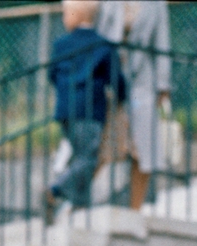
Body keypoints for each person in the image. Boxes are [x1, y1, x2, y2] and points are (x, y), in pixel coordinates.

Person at [45, 0, 126, 223]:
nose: (63, 18)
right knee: (88, 159)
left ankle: (81, 209)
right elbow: (116, 79)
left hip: (64, 111)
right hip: (90, 111)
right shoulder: (103, 46)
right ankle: (55, 190)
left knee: (81, 156)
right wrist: (122, 98)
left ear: (77, 16)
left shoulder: (61, 45)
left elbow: (52, 74)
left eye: (65, 13)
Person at [94, 0, 171, 210]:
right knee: (101, 143)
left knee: (143, 147)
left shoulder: (156, 5)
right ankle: (74, 199)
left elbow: (162, 42)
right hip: (111, 77)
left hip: (142, 81)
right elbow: (99, 36)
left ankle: (135, 210)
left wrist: (163, 86)